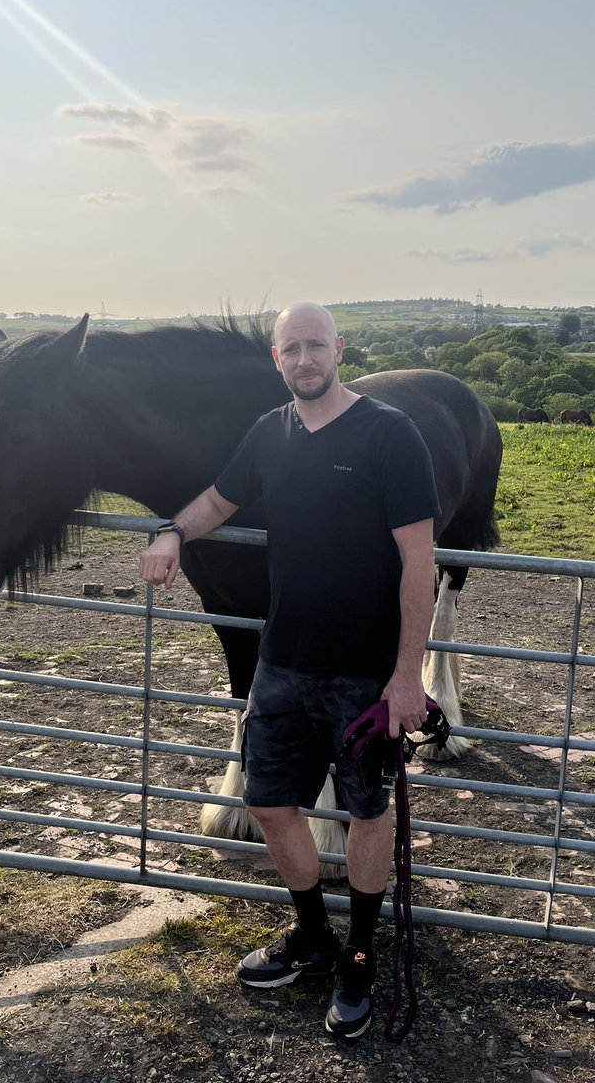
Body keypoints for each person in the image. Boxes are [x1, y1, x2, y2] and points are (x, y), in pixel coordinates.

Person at [139, 302, 439, 1039]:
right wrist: (175, 530)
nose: (304, 359)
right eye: (291, 349)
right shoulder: (269, 433)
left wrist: (406, 676)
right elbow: (219, 498)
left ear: (339, 350)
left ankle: (361, 956)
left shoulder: (389, 435)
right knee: (271, 803)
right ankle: (313, 936)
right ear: (276, 360)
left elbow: (419, 560)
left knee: (368, 814)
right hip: (281, 664)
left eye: (316, 346)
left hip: (364, 677)